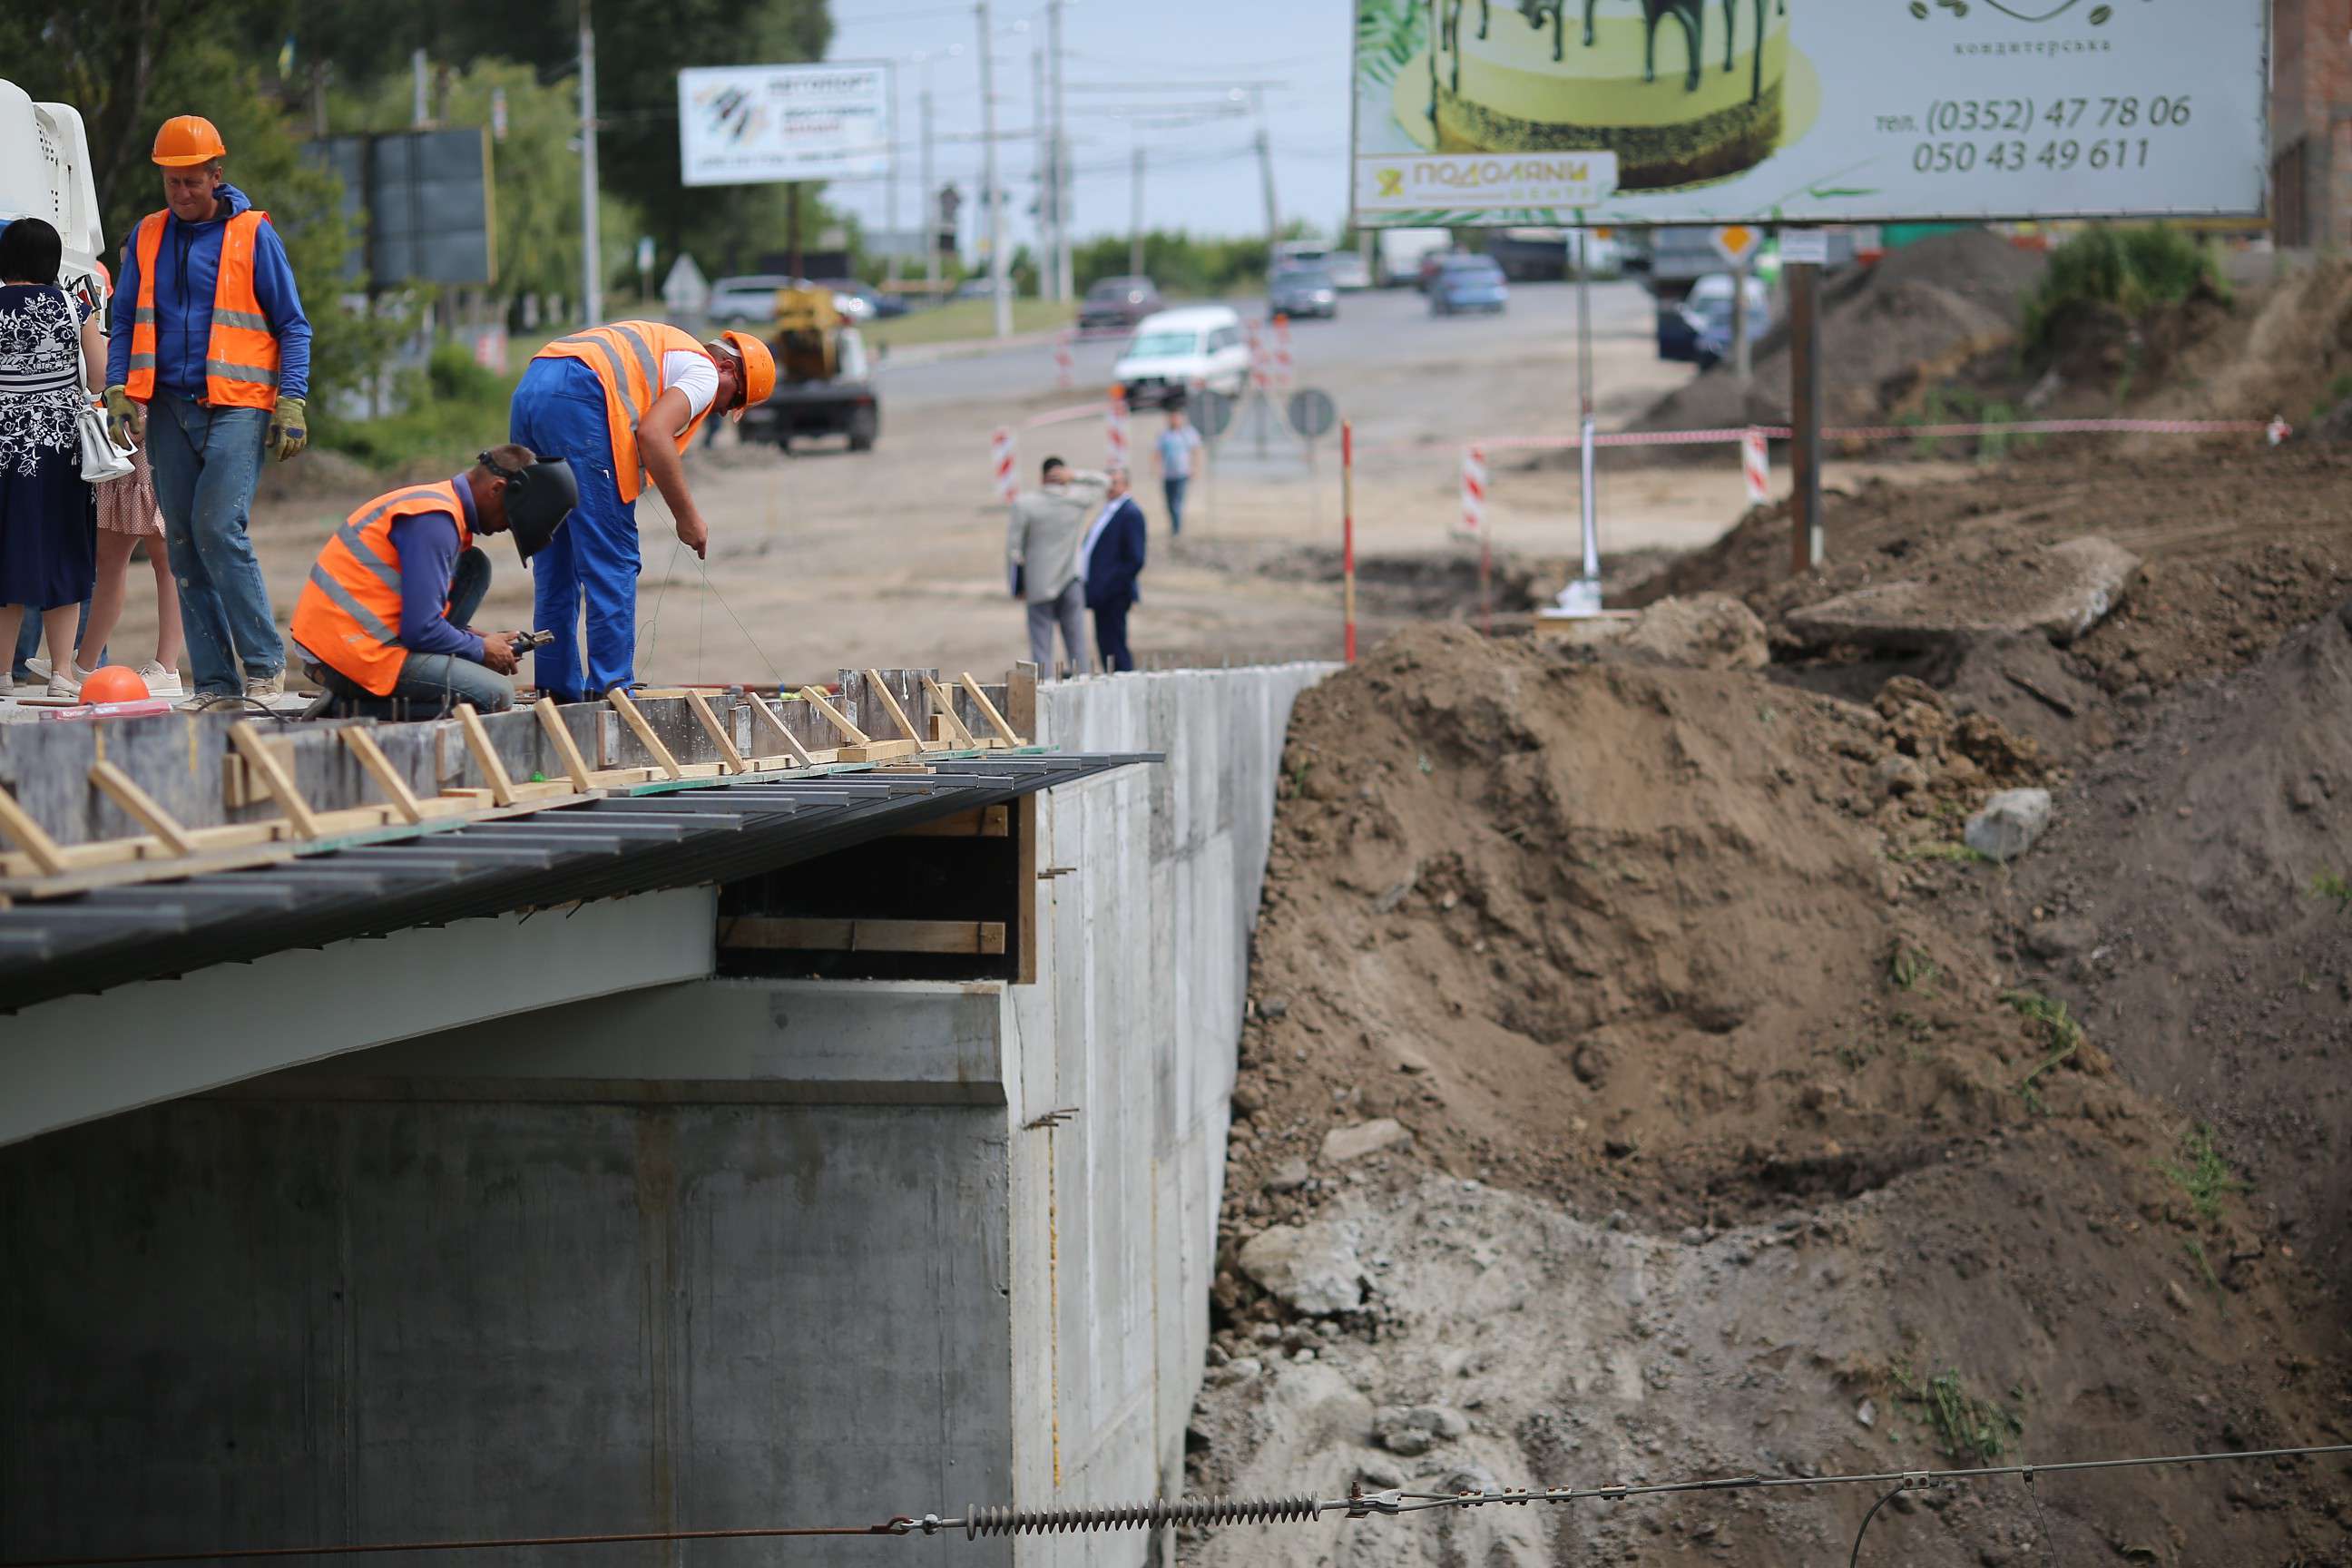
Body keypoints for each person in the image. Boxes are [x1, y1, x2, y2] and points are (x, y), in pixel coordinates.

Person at [102, 113, 312, 702]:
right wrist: (119, 388)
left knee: (218, 528)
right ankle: (217, 683)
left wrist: (291, 401)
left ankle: (265, 665)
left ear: (217, 175)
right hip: (167, 406)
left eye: (193, 181)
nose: (182, 193)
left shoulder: (252, 234)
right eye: (172, 182)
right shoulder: (146, 236)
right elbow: (123, 321)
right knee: (183, 546)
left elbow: (293, 325)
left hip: (239, 405)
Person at [507, 320, 776, 701]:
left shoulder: (668, 349)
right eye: (734, 400)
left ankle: (558, 694)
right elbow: (653, 434)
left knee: (557, 561)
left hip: (533, 385)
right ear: (729, 370)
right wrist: (688, 517)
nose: (722, 411)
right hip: (580, 394)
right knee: (611, 559)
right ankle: (611, 696)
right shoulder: (703, 370)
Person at [289, 446, 577, 717]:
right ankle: (347, 706)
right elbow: (421, 629)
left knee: (474, 566)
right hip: (344, 656)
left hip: (361, 637)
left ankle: (404, 676)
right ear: (497, 489)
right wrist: (480, 650)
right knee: (496, 695)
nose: (505, 527)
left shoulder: (440, 506)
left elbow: (424, 615)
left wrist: (482, 639)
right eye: (508, 518)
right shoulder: (434, 523)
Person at [28, 251, 182, 697]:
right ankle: (84, 662)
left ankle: (166, 665)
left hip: (149, 450)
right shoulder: (134, 319)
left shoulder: (156, 316)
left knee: (162, 559)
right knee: (112, 561)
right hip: (127, 457)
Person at [0, 218, 104, 699]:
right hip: (60, 447)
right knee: (64, 550)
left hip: (4, 448)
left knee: (6, 551)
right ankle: (62, 673)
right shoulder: (73, 302)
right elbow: (100, 376)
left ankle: (2, 674)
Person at [1006, 455, 1106, 671]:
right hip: (1071, 581)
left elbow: (1014, 550)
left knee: (1041, 647)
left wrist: (1017, 586)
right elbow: (1104, 482)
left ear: (1042, 477)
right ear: (1063, 476)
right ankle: (1082, 688)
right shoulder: (1076, 501)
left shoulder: (1025, 504)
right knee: (1077, 645)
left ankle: (1045, 693)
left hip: (1038, 584)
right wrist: (1075, 475)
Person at [1076, 466, 1146, 673]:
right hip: (1101, 592)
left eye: (1115, 482)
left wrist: (1112, 584)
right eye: (1108, 482)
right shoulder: (1109, 510)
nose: (1110, 487)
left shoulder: (1130, 513)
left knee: (1115, 644)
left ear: (1126, 485)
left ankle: (1123, 683)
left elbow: (1135, 559)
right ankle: (1113, 681)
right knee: (1105, 645)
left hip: (1114, 593)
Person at [1153, 403, 1204, 537]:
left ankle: (1177, 529)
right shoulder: (1165, 435)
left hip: (1182, 473)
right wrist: (1158, 469)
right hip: (1168, 474)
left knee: (1177, 502)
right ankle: (1174, 525)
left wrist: (1195, 468)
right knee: (1169, 503)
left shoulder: (1188, 433)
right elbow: (1158, 453)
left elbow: (1196, 451)